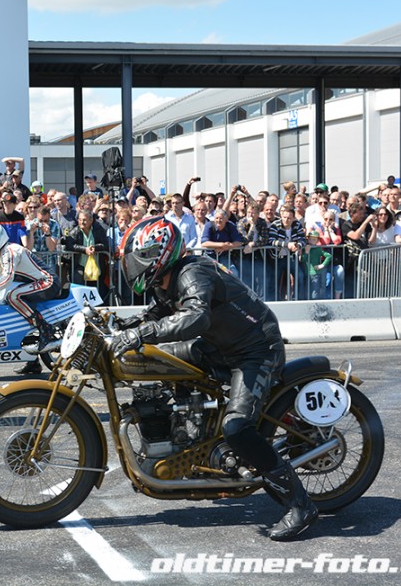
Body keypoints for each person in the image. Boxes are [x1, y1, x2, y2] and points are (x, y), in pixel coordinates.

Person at [112, 217, 317, 541]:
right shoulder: (166, 281)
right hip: (219, 347)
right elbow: (157, 313)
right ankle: (188, 435)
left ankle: (300, 505)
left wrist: (144, 333)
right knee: (159, 360)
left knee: (236, 427)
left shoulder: (192, 272)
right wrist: (125, 327)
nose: (134, 265)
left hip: (255, 350)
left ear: (160, 253)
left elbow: (196, 315)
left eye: (140, 257)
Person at [0, 222, 61, 375]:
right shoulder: (1, 255)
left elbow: (6, 279)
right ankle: (33, 361)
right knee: (14, 310)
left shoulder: (11, 251)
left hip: (48, 282)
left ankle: (45, 329)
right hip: (38, 283)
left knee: (13, 296)